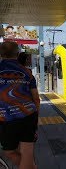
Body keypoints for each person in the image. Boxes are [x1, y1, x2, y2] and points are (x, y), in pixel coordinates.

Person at [0, 41, 39, 169]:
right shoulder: (27, 72)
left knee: (9, 151)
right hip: (28, 116)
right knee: (27, 154)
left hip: (6, 118)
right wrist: (36, 121)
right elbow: (36, 99)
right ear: (17, 54)